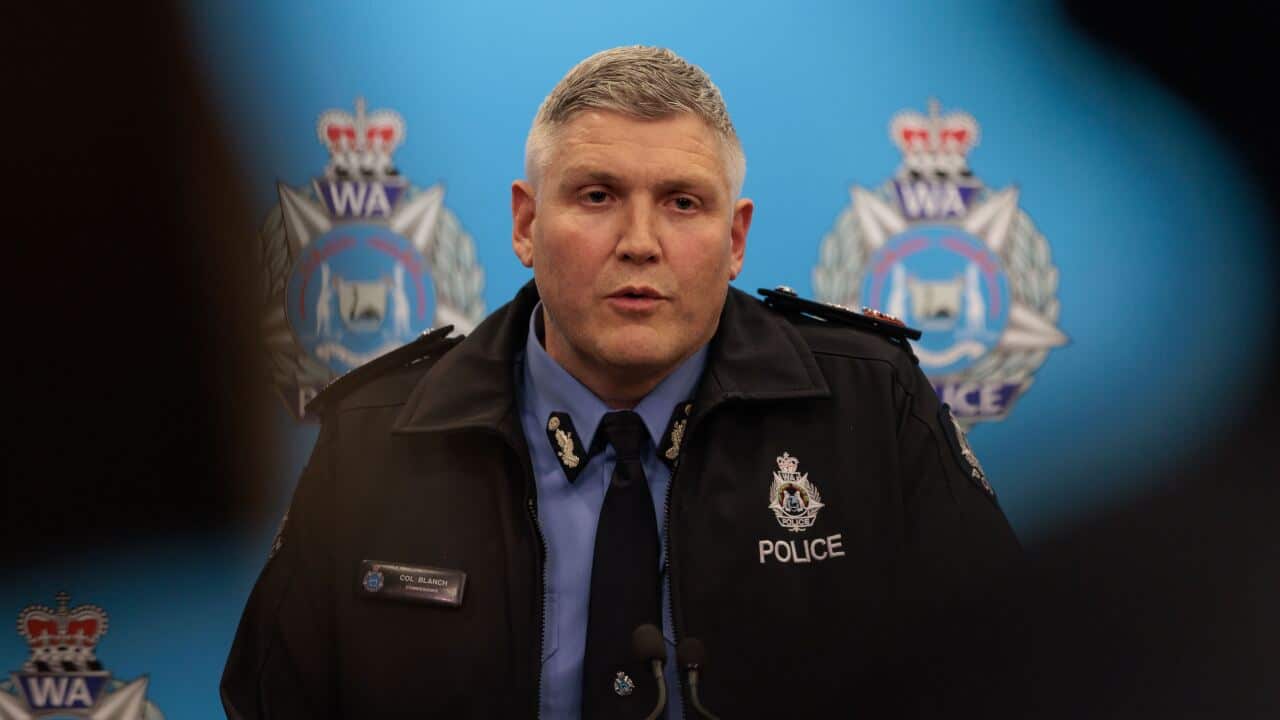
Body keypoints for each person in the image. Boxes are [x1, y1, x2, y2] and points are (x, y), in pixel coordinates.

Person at [222, 46, 1022, 719]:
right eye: (598, 196)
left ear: (735, 238)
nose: (640, 243)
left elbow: (1009, 677)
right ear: (526, 224)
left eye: (682, 203)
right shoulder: (376, 436)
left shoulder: (870, 408)